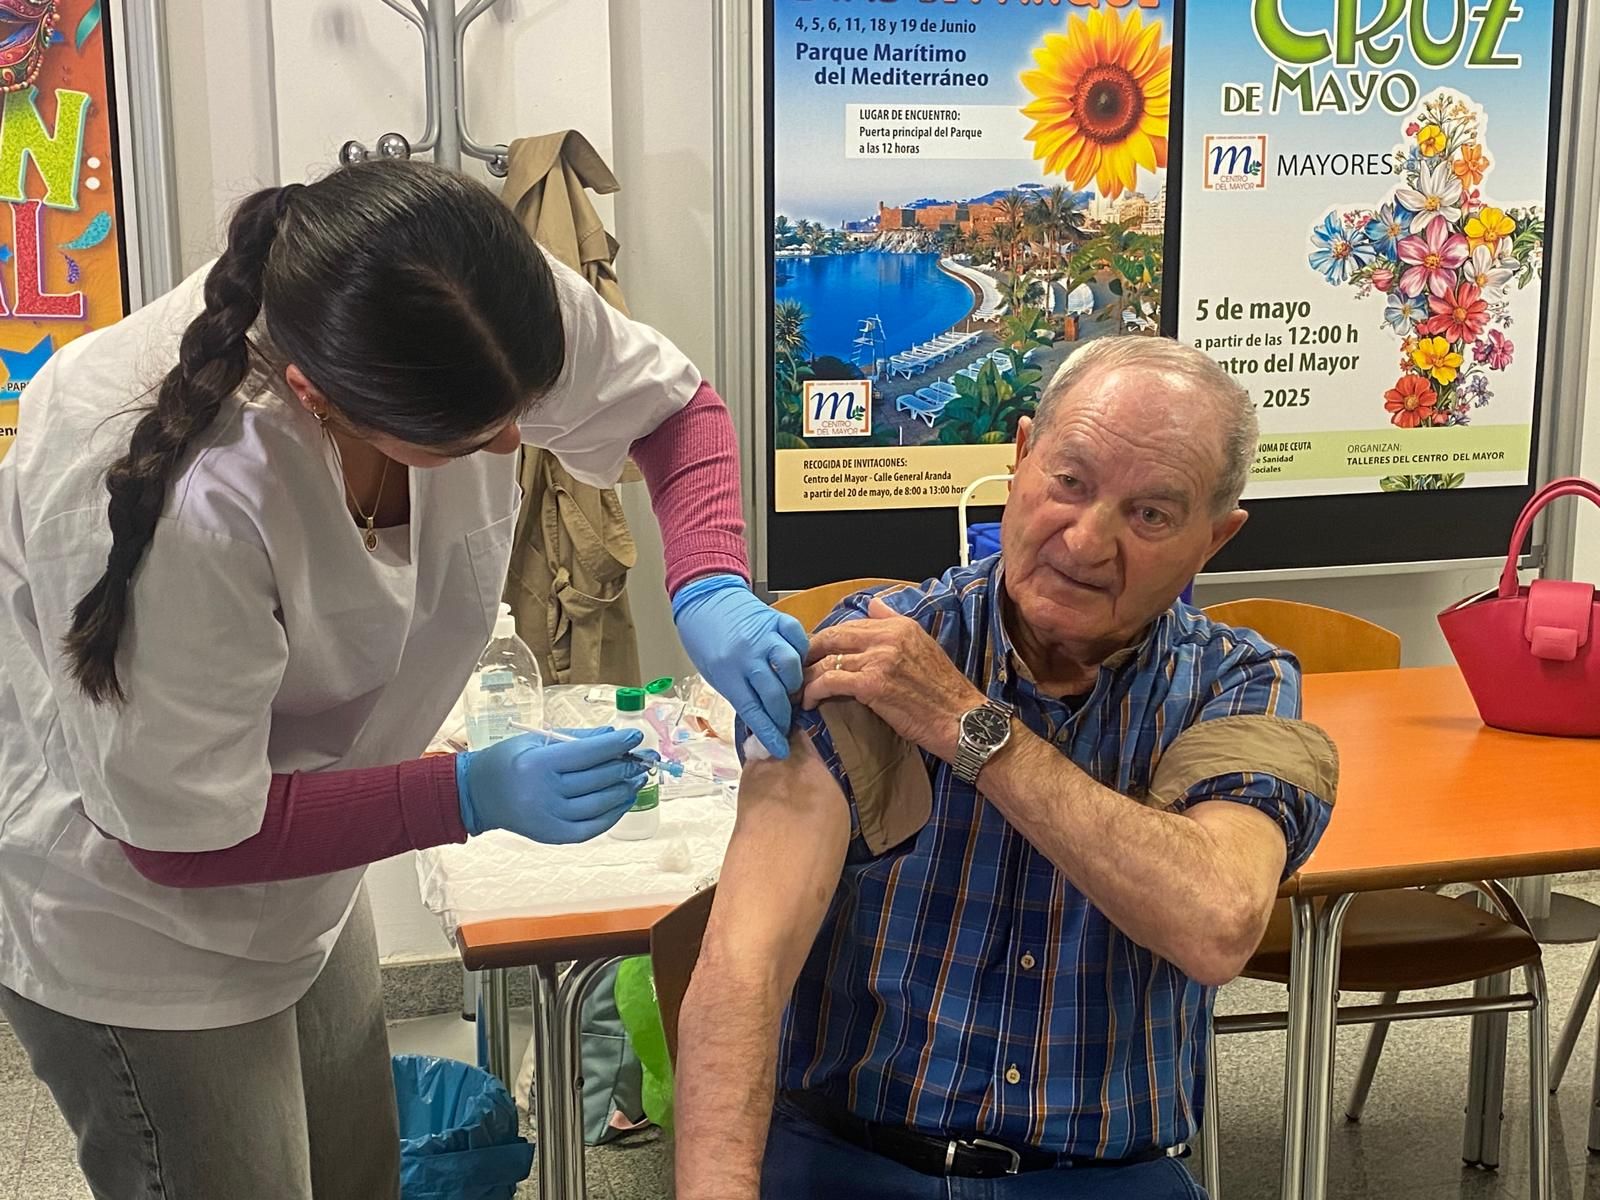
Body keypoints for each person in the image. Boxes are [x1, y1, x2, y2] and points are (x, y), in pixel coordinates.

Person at [0, 158, 803, 1199]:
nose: (519, 441)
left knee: (358, 1172)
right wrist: (463, 794)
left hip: (300, 870)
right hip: (136, 916)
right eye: (475, 439)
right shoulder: (193, 491)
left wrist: (708, 582)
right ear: (315, 399)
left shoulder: (466, 289)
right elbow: (178, 843)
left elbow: (671, 410)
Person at [674, 337, 1339, 1199]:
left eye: (1151, 515)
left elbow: (1216, 922)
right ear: (1021, 458)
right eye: (1070, 480)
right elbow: (744, 964)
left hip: (1102, 1178)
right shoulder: (879, 645)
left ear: (1214, 539)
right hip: (851, 1160)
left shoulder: (1240, 684)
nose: (1088, 539)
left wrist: (967, 726)